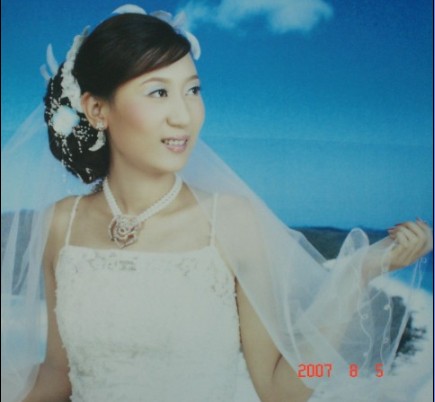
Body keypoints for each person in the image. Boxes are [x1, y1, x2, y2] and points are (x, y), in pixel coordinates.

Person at [1, 5, 432, 402]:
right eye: (158, 93)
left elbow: (280, 390)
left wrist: (358, 272)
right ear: (97, 109)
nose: (184, 115)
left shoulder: (232, 222)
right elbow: (58, 374)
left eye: (192, 90)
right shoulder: (61, 223)